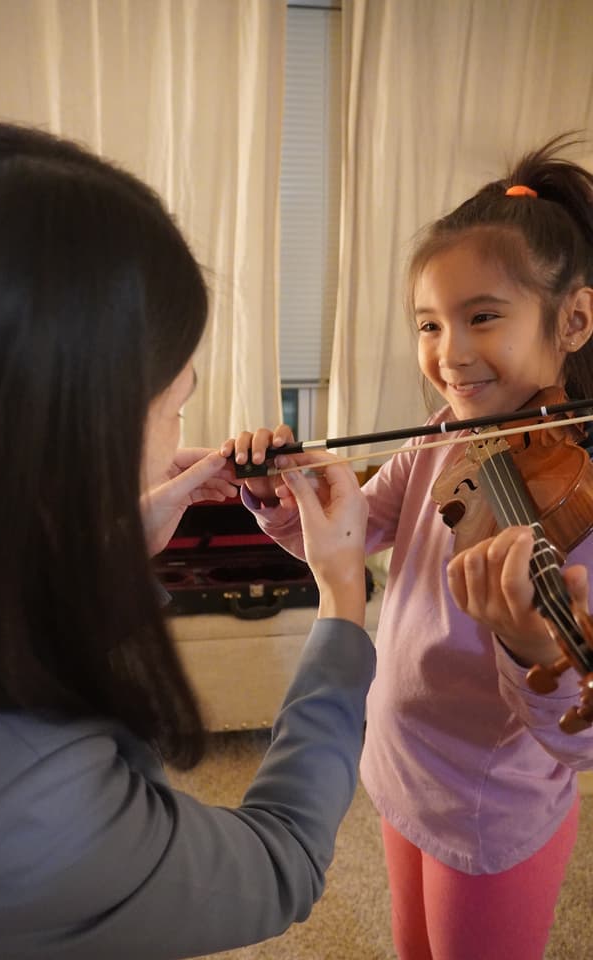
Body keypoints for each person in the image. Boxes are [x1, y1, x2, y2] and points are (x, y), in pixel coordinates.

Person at [0, 119, 377, 960]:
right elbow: (281, 861)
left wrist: (104, 536)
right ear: (73, 432)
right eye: (176, 403)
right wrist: (342, 595)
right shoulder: (28, 805)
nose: (180, 430)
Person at [229, 135, 593, 960]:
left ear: (572, 319)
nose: (450, 354)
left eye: (483, 318)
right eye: (430, 324)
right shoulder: (439, 436)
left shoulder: (580, 495)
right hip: (400, 763)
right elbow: (358, 523)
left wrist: (534, 643)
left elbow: (578, 738)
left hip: (488, 803)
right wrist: (283, 491)